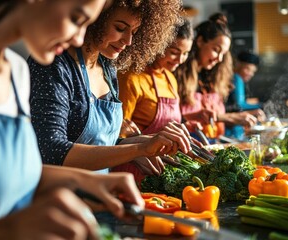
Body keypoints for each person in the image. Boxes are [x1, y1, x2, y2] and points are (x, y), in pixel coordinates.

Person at [0, 1, 145, 239]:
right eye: (76, 19)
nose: (79, 39)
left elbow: (9, 175)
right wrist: (4, 230)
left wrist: (84, 180)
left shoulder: (16, 71)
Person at [28, 0, 189, 176]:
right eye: (120, 28)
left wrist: (143, 144)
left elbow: (99, 144)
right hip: (56, 196)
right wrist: (138, 149)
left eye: (134, 32)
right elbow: (52, 151)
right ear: (94, 19)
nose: (128, 41)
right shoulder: (53, 66)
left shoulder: (107, 68)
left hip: (98, 194)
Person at [115, 18, 210, 183]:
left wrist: (186, 127)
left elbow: (167, 124)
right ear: (158, 44)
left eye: (186, 53)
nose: (180, 60)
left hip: (164, 171)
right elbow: (118, 130)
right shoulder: (131, 77)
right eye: (174, 51)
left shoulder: (170, 78)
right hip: (133, 170)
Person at [174, 19, 258, 142]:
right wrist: (228, 117)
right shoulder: (178, 74)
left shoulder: (212, 77)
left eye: (223, 54)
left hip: (211, 142)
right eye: (216, 50)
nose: (219, 59)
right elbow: (172, 118)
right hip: (187, 145)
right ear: (200, 41)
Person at [225, 51, 266, 140]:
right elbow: (239, 105)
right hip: (232, 131)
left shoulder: (232, 78)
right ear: (238, 65)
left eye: (253, 71)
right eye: (247, 69)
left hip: (232, 128)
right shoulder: (236, 78)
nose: (250, 74)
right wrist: (262, 105)